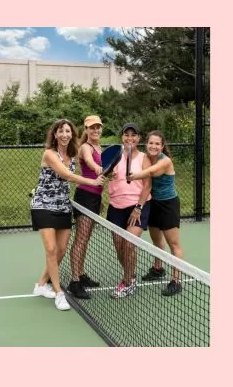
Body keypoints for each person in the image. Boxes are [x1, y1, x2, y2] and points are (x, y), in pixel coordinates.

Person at [30, 119, 104, 311]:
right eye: (61, 131)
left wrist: (102, 175)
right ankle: (59, 293)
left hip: (63, 206)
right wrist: (93, 182)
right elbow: (68, 176)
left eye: (68, 131)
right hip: (43, 206)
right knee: (52, 249)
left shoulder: (71, 154)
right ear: (54, 134)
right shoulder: (49, 154)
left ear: (72, 134)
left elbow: (90, 164)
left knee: (61, 250)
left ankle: (40, 285)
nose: (65, 134)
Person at [127, 131, 183, 296]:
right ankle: (158, 268)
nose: (153, 146)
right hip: (153, 204)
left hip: (168, 205)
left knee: (174, 244)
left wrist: (133, 176)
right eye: (151, 143)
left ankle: (176, 280)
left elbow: (151, 173)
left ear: (162, 146)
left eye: (157, 144)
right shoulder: (146, 157)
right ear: (147, 144)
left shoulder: (165, 161)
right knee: (156, 241)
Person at [106, 123, 152, 298]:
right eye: (127, 135)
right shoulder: (115, 155)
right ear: (122, 137)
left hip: (138, 206)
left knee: (129, 244)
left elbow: (148, 185)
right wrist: (107, 175)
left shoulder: (144, 158)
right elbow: (104, 175)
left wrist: (138, 208)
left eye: (134, 135)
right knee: (119, 245)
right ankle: (130, 275)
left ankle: (128, 281)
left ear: (139, 138)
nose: (130, 138)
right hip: (116, 206)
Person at [67, 115, 104, 299]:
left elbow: (104, 176)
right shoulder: (85, 148)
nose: (95, 130)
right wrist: (99, 169)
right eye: (92, 128)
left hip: (95, 198)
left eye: (98, 127)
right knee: (81, 239)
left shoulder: (99, 147)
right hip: (85, 197)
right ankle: (74, 282)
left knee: (86, 238)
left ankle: (81, 274)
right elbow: (90, 163)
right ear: (86, 130)